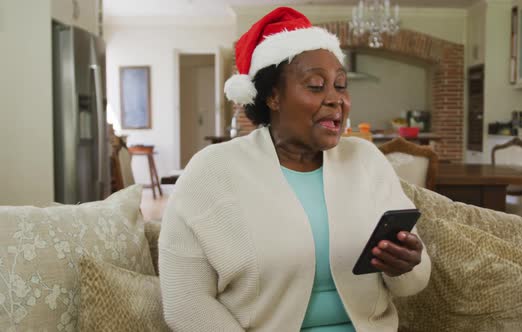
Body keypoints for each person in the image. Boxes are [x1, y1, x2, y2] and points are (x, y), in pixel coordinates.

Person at [159, 7, 431, 332]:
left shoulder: (366, 160)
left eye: (341, 86)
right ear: (273, 96)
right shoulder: (212, 170)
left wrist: (406, 265)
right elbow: (185, 302)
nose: (336, 100)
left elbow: (414, 282)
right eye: (316, 86)